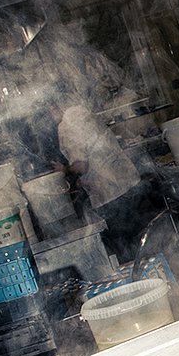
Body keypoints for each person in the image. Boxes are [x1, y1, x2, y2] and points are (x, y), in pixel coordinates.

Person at [46, 92, 157, 262]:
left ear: (52, 107)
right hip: (130, 181)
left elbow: (81, 166)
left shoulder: (66, 125)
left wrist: (64, 169)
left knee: (129, 254)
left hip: (111, 194)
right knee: (150, 243)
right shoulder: (82, 111)